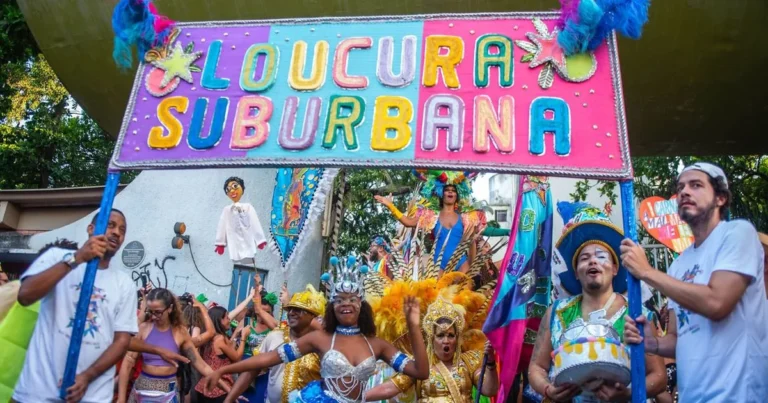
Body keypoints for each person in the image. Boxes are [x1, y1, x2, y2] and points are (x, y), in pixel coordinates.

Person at [621, 162, 768, 402]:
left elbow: (717, 303)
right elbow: (679, 337)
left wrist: (647, 272)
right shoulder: (679, 264)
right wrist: (653, 343)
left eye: (696, 185)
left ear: (720, 198)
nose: (684, 192)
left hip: (738, 395)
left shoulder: (737, 233)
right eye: (680, 188)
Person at [203, 256, 430, 402]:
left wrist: (413, 326)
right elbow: (268, 358)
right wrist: (223, 371)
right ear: (332, 307)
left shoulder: (376, 345)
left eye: (352, 299)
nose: (346, 304)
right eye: (339, 300)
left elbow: (421, 372)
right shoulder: (321, 339)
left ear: (362, 305)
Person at [528, 204, 667, 402]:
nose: (593, 261)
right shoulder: (556, 313)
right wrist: (548, 389)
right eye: (584, 258)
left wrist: (627, 394)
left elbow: (659, 376)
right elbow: (536, 367)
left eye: (601, 256)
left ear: (615, 269)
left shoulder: (637, 314)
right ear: (576, 273)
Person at [11, 209, 139, 403]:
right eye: (110, 225)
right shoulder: (56, 257)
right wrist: (77, 259)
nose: (116, 233)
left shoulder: (125, 284)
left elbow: (122, 340)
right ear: (91, 229)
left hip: (93, 396)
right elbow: (25, 296)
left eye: (122, 230)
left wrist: (88, 376)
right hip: (38, 391)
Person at [366, 294, 499, 402]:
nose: (446, 341)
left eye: (451, 335)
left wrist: (491, 363)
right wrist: (359, 397)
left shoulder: (469, 361)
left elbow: (489, 390)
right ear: (432, 339)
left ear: (457, 339)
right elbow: (390, 388)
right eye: (440, 335)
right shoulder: (420, 366)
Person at [118, 288, 229, 402]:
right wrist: (121, 399)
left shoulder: (180, 332)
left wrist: (228, 390)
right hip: (142, 392)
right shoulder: (143, 329)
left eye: (158, 312)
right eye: (151, 312)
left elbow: (201, 365)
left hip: (168, 394)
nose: (154, 316)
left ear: (170, 308)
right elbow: (128, 363)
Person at [375, 170, 495, 273]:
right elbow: (408, 222)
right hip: (438, 264)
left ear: (457, 195)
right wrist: (390, 206)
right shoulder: (430, 215)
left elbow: (473, 242)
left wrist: (471, 266)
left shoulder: (466, 218)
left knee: (464, 293)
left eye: (453, 190)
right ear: (441, 193)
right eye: (447, 190)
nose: (450, 192)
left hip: (461, 264)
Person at [225, 285, 326, 403]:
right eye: (290, 309)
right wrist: (229, 400)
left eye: (298, 310)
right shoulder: (275, 336)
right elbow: (251, 371)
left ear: (314, 316)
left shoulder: (323, 344)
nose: (291, 313)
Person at [194, 305, 251, 402]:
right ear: (219, 320)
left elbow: (229, 350)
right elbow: (237, 357)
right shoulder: (220, 339)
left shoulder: (206, 337)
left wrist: (235, 334)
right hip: (220, 389)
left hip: (203, 388)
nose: (229, 320)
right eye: (227, 317)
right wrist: (243, 338)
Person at [215, 176, 268, 261]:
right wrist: (220, 243)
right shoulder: (227, 210)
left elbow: (255, 222)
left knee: (249, 257)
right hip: (234, 240)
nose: (232, 191)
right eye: (228, 189)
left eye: (235, 186)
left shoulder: (248, 207)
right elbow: (222, 226)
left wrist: (260, 239)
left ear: (242, 188)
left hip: (247, 238)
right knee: (237, 258)